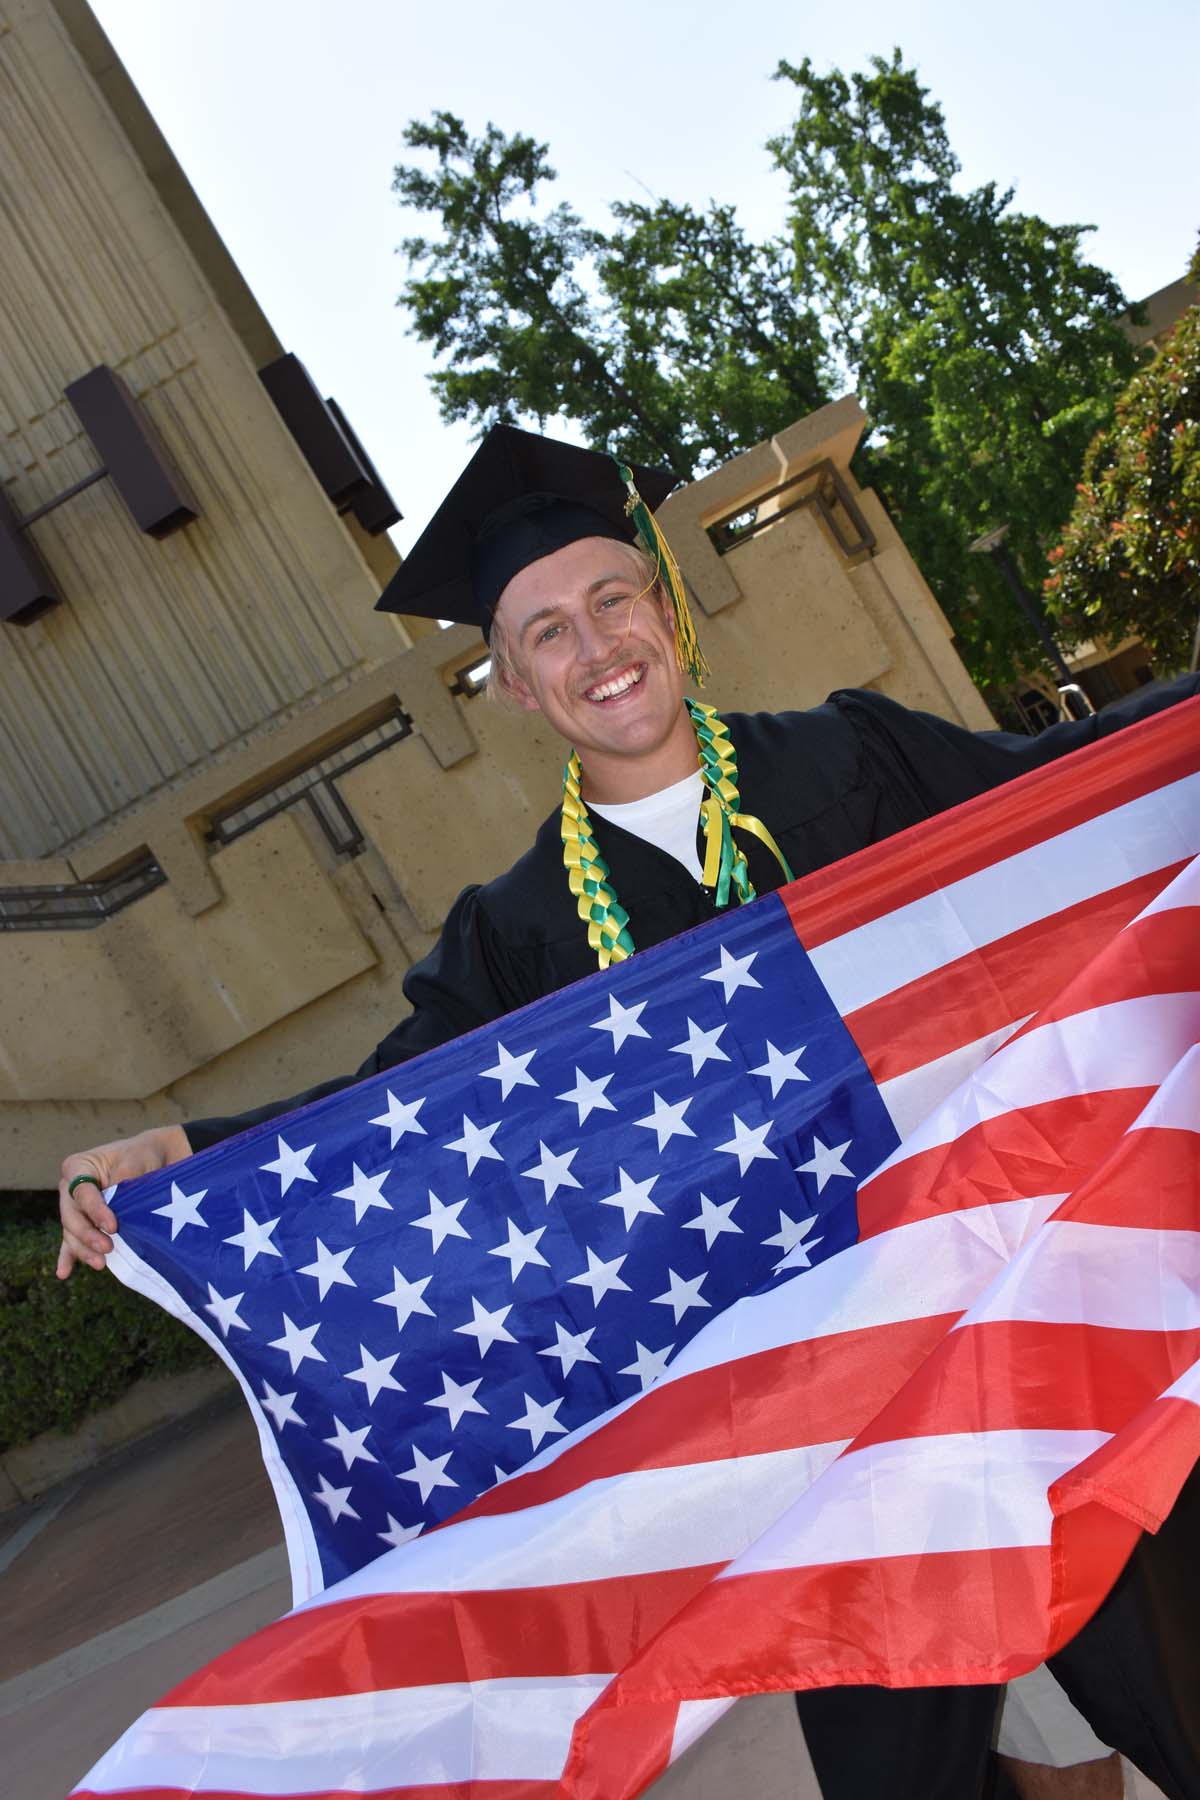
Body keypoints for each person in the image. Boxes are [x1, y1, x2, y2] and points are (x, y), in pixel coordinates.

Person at [57, 426, 1200, 1800]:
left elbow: (1066, 816)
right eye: (545, 632)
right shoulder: (522, 934)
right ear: (519, 688)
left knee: (1168, 1685)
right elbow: (389, 1119)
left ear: (665, 610)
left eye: (611, 599)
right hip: (813, 1438)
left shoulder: (854, 760)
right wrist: (190, 1158)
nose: (594, 644)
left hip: (1015, 1327)